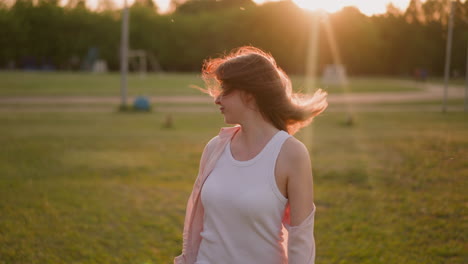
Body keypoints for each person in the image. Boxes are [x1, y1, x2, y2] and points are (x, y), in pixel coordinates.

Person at [174, 46, 328, 264]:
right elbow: (197, 226)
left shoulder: (291, 153)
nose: (217, 99)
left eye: (225, 90)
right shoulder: (214, 147)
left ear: (250, 94)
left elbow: (301, 240)